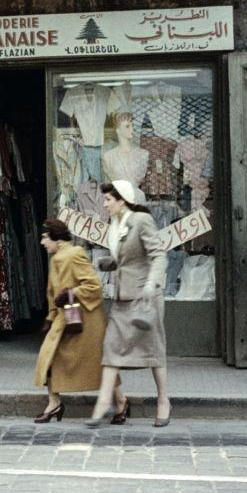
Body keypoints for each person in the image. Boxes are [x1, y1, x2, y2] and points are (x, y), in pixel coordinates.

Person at [87, 180, 170, 428]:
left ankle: (163, 401)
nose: (105, 204)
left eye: (108, 200)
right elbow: (123, 260)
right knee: (110, 348)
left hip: (145, 299)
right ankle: (103, 403)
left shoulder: (140, 221)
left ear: (122, 200)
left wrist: (151, 284)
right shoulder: (116, 225)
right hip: (123, 300)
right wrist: (103, 263)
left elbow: (158, 255)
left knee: (154, 353)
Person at [32, 219, 108, 423]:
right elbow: (52, 291)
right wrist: (49, 317)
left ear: (56, 238)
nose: (42, 242)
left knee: (98, 364)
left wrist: (71, 293)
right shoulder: (56, 257)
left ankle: (120, 402)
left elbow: (94, 286)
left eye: (45, 237)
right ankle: (54, 403)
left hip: (83, 319)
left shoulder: (74, 254)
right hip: (63, 317)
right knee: (49, 359)